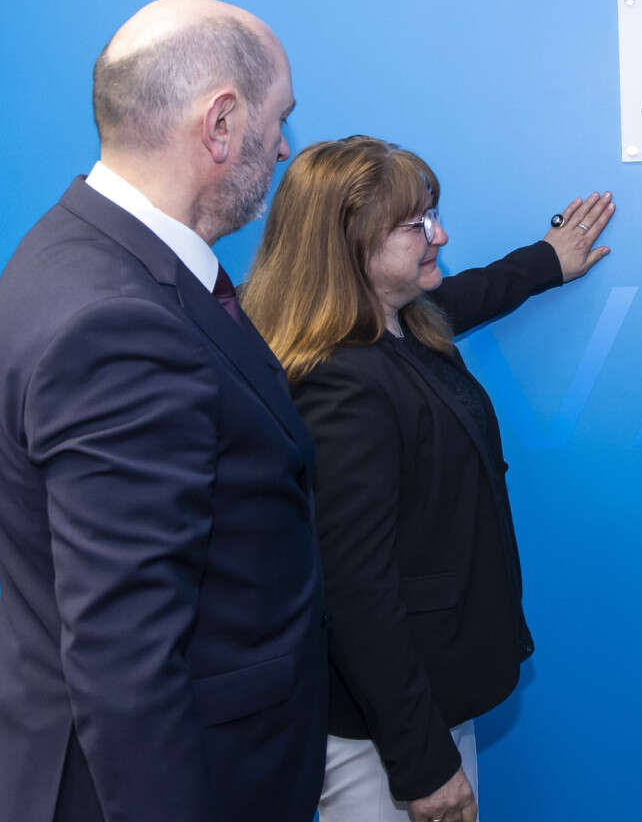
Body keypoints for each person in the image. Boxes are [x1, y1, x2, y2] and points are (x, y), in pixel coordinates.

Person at [0, 0, 322, 821]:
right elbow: (126, 662)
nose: (283, 148)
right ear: (221, 123)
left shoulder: (80, 253)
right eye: (279, 121)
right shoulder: (117, 318)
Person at [241, 136, 616, 822]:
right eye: (416, 226)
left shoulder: (397, 325)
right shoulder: (340, 383)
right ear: (347, 244)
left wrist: (543, 262)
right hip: (383, 735)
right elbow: (356, 592)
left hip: (423, 697)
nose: (438, 235)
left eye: (432, 215)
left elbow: (460, 298)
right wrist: (422, 765)